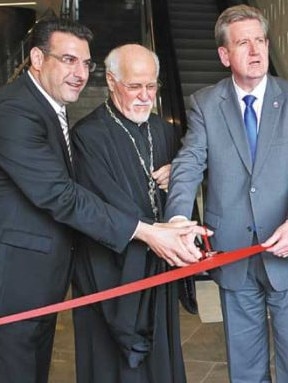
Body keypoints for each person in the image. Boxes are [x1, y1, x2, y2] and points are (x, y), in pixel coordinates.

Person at [0, 19, 206, 383]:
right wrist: (146, 232)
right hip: (24, 280)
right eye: (68, 60)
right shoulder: (16, 110)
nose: (79, 73)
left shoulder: (52, 106)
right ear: (36, 57)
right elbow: (61, 195)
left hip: (47, 279)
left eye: (84, 63)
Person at [165, 4, 288, 383]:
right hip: (233, 251)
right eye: (243, 43)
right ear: (224, 55)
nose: (255, 51)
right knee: (246, 368)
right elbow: (188, 163)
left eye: (260, 41)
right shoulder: (205, 103)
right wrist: (178, 220)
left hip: (285, 249)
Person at [71, 43, 206, 383]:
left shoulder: (162, 130)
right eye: (135, 86)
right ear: (112, 81)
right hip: (113, 271)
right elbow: (101, 204)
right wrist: (155, 232)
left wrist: (177, 175)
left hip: (156, 269)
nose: (145, 96)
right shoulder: (87, 135)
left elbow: (180, 195)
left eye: (152, 86)